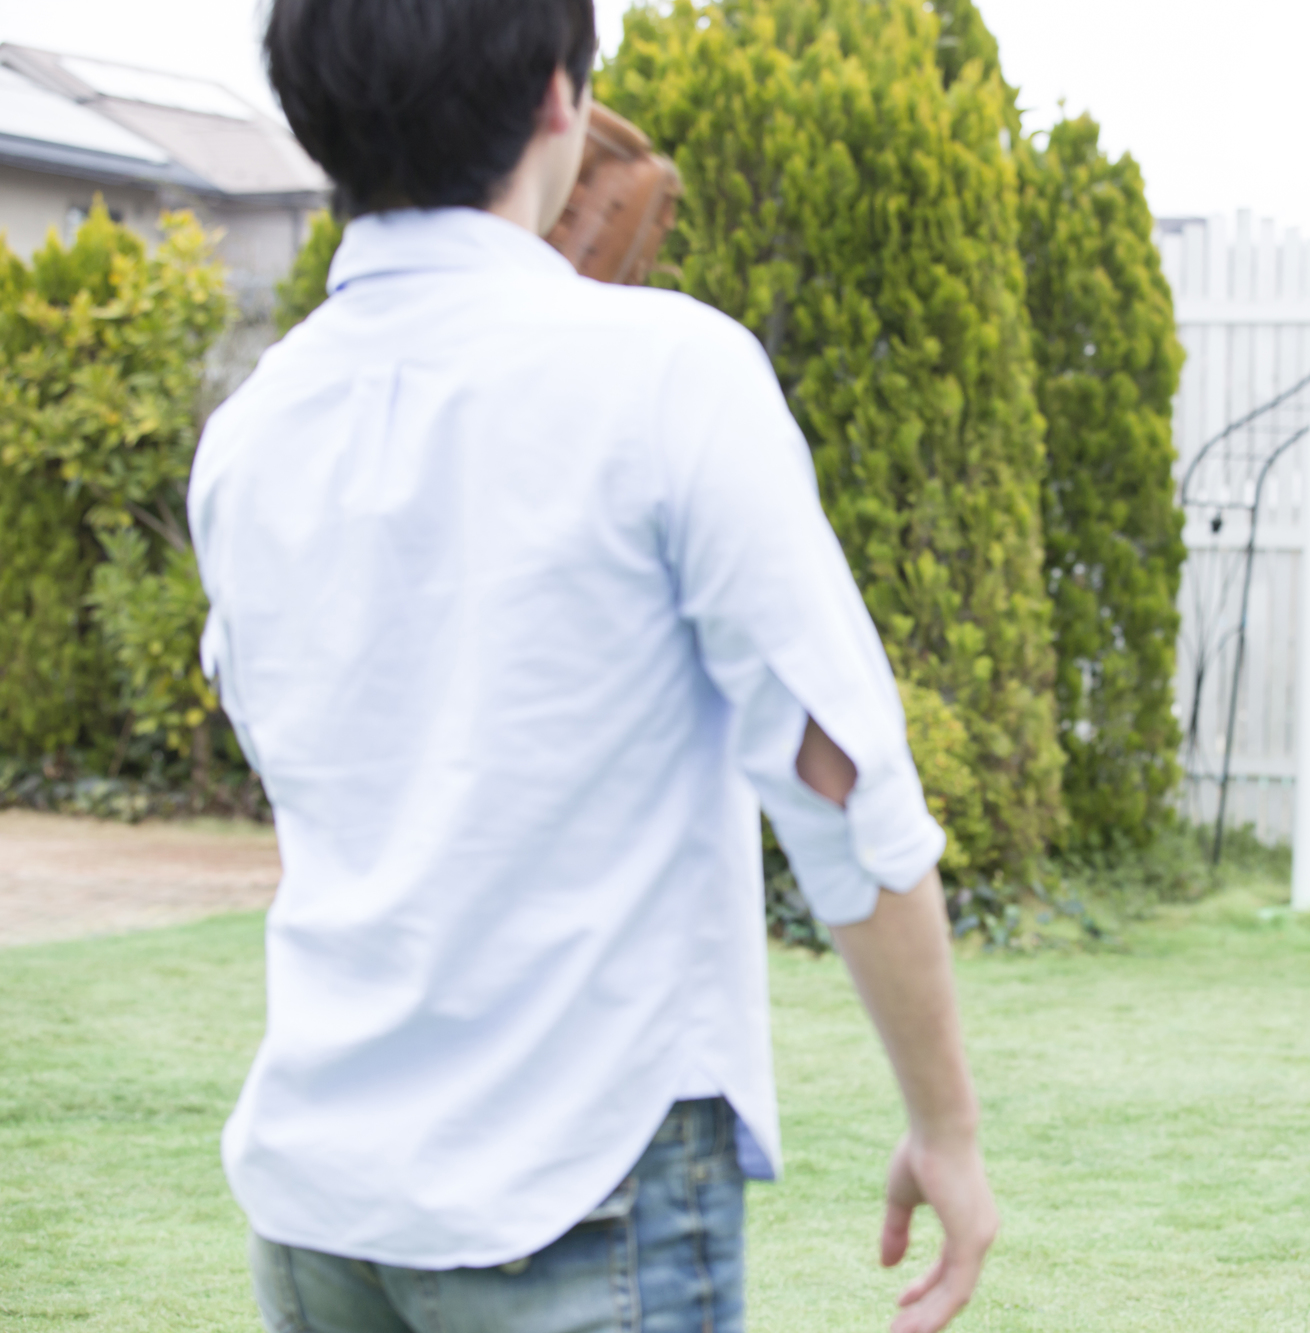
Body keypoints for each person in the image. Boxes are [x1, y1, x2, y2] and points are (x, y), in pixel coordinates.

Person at [189, 2, 995, 1330]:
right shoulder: (671, 372)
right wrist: (944, 1128)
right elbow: (837, 772)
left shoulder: (254, 427)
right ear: (562, 97)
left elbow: (306, 734)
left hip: (318, 1196)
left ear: (312, 112)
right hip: (577, 1174)